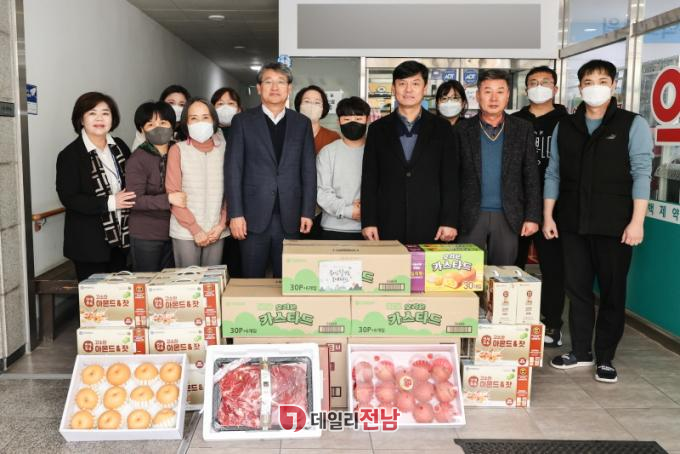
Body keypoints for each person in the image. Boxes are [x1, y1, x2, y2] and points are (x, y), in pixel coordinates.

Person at [543, 59, 653, 383]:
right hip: (572, 222)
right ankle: (580, 351)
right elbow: (553, 173)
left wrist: (637, 222)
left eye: (602, 81)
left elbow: (642, 174)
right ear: (580, 88)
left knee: (612, 292)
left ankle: (605, 356)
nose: (595, 87)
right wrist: (548, 215)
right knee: (577, 290)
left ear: (613, 86)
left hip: (615, 225)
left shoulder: (632, 124)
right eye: (588, 82)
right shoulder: (566, 126)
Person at [225, 62, 316, 278]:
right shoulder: (242, 121)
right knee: (252, 279)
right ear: (259, 88)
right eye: (268, 82)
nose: (275, 87)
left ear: (289, 88)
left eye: (281, 82)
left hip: (291, 216)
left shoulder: (302, 123)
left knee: (288, 279)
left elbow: (308, 170)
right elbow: (233, 170)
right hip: (252, 217)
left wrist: (307, 211)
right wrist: (235, 214)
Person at [361, 60, 459, 244]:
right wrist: (369, 221)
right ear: (393, 88)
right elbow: (369, 179)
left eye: (415, 83)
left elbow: (450, 179)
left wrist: (449, 221)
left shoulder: (442, 128)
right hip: (387, 222)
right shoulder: (377, 129)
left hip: (431, 222)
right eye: (402, 83)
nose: (408, 90)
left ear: (425, 88)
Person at [456, 69, 541, 266]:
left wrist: (532, 216)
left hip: (508, 214)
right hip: (470, 215)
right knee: (466, 274)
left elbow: (531, 175)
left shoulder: (523, 128)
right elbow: (452, 177)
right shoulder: (461, 130)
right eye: (487, 91)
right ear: (478, 95)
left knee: (503, 275)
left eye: (500, 91)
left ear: (508, 95)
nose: (494, 98)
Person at [511, 66, 569, 348]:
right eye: (533, 82)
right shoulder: (514, 121)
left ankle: (553, 324)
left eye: (545, 82)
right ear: (526, 90)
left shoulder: (568, 122)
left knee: (553, 268)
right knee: (511, 266)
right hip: (516, 206)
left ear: (555, 88)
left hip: (553, 208)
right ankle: (510, 320)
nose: (539, 86)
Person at [56, 92, 135, 281]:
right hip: (89, 245)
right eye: (92, 113)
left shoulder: (120, 147)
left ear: (112, 118)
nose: (100, 118)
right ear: (81, 119)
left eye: (105, 113)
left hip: (122, 239)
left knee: (120, 295)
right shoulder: (70, 155)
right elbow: (69, 198)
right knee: (95, 297)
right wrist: (111, 202)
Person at [165, 98, 229, 267]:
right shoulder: (177, 150)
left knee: (212, 280)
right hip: (185, 231)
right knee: (188, 280)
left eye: (205, 117)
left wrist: (221, 225)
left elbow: (231, 192)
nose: (200, 122)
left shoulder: (225, 149)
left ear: (214, 120)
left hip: (216, 231)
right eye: (194, 118)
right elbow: (174, 194)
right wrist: (195, 229)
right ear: (186, 123)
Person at [126, 101, 186, 272]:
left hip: (177, 231)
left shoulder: (180, 151)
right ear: (142, 130)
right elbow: (134, 200)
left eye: (163, 122)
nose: (158, 128)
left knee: (171, 282)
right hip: (147, 234)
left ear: (173, 126)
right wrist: (168, 199)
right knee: (146, 282)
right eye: (150, 124)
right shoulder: (138, 158)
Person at [316, 97, 370, 240]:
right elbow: (322, 192)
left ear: (368, 119)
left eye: (358, 118)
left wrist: (368, 207)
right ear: (338, 121)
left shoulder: (376, 151)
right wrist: (349, 211)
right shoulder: (327, 152)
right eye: (347, 119)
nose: (353, 123)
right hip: (333, 229)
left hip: (370, 229)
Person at [210, 87, 244, 277]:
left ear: (239, 109)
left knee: (237, 258)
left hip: (240, 205)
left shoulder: (246, 131)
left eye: (231, 104)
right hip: (215, 204)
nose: (225, 108)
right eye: (220, 104)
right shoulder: (206, 134)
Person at [132, 85, 192, 150]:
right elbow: (137, 152)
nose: (176, 108)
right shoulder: (147, 128)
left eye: (182, 104)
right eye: (171, 103)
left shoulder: (191, 129)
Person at [294, 85, 340, 154]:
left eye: (317, 102)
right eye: (307, 101)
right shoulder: (289, 135)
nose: (312, 105)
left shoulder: (333, 137)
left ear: (323, 108)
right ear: (299, 105)